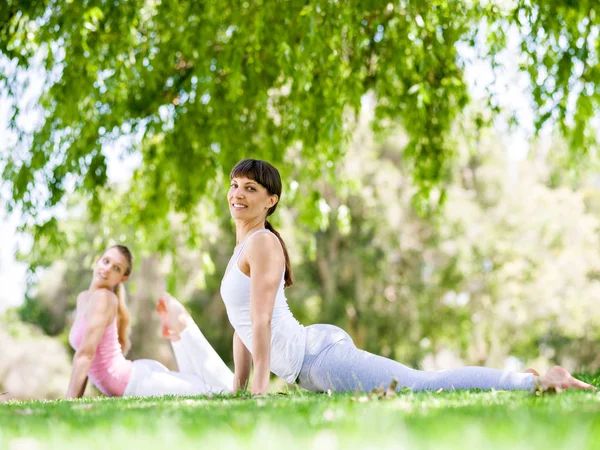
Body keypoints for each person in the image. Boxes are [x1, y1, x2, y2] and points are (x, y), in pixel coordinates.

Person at [220, 158, 596, 395]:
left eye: (251, 188)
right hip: (312, 359)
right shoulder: (241, 249)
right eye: (235, 185)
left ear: (271, 201)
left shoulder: (263, 243)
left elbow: (263, 319)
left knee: (421, 385)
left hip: (318, 358)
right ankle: (515, 380)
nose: (239, 193)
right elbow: (244, 325)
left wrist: (259, 391)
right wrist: (238, 387)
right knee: (416, 385)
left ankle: (539, 380)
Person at [66, 245, 233, 398]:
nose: (107, 268)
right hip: (137, 375)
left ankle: (183, 325)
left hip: (137, 382)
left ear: (122, 278)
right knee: (205, 386)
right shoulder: (84, 298)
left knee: (218, 391)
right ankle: (178, 332)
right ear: (97, 261)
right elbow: (85, 357)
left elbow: (86, 355)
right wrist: (74, 400)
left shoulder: (104, 298)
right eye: (106, 261)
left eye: (116, 268)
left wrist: (70, 402)